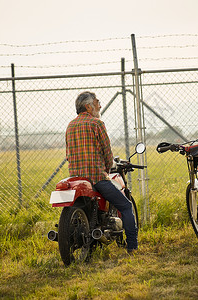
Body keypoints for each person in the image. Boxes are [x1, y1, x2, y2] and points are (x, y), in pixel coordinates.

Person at [65, 91, 138, 253]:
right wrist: (105, 170)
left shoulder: (70, 126)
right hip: (96, 179)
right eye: (97, 102)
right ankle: (132, 246)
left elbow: (68, 155)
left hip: (76, 180)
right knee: (126, 206)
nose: (100, 105)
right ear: (88, 106)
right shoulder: (97, 124)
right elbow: (107, 153)